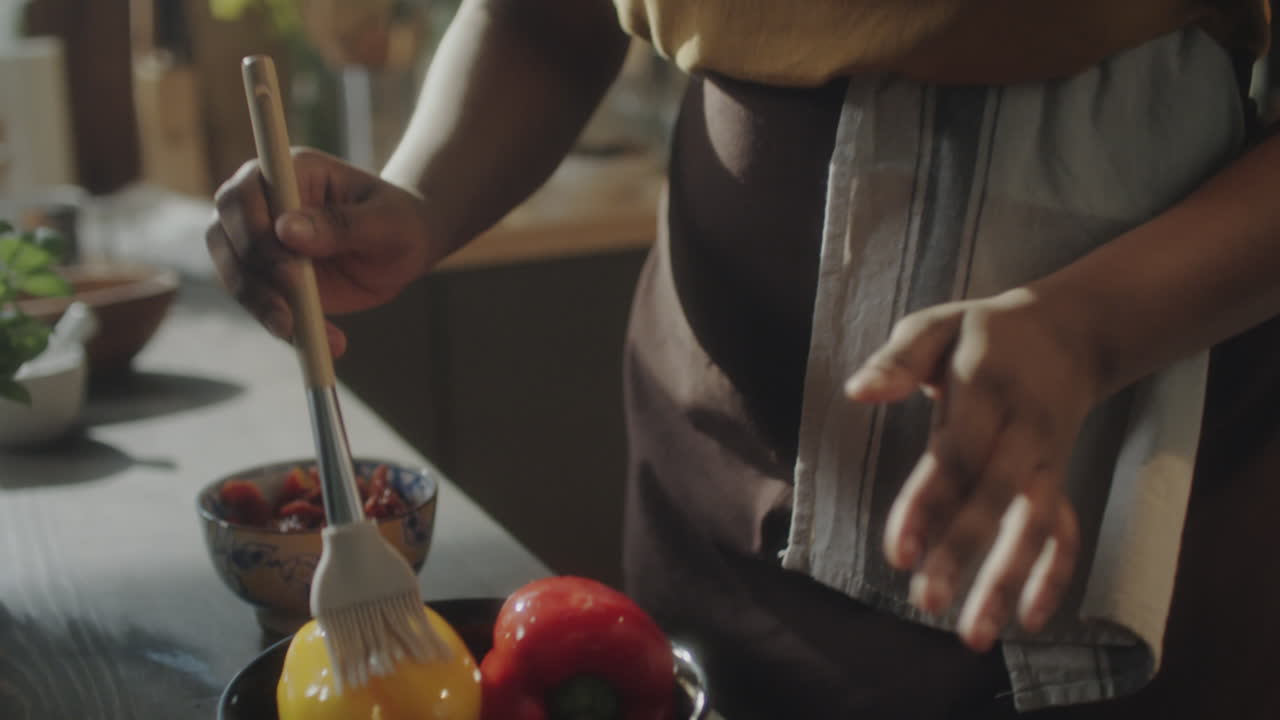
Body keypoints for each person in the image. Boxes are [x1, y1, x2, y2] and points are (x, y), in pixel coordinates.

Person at [206, 1, 1280, 717]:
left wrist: (1089, 327)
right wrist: (424, 196)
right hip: (708, 466)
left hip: (1137, 478)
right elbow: (547, 15)